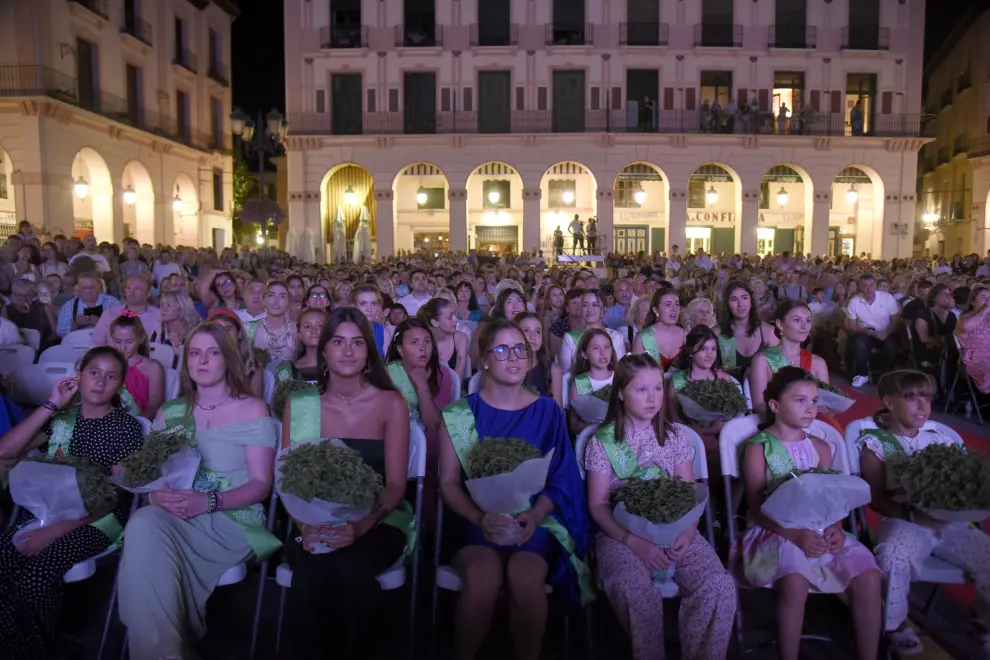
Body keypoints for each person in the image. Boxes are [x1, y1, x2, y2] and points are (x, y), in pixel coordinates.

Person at [117, 322, 281, 660]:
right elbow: (153, 476)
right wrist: (154, 495)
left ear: (228, 360)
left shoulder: (252, 408)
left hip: (232, 516)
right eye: (194, 353)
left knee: (147, 532)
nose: (202, 360)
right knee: (144, 520)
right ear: (186, 361)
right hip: (177, 514)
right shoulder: (171, 411)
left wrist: (209, 500)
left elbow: (261, 485)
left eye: (213, 352)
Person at [437, 319, 592, 659]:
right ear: (486, 360)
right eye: (502, 349)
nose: (513, 357)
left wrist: (535, 516)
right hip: (475, 522)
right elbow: (448, 484)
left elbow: (562, 478)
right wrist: (481, 519)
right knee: (482, 581)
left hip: (532, 522)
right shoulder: (460, 413)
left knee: (524, 582)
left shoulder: (548, 410)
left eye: (520, 348)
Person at [280, 308, 414, 660]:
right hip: (309, 520)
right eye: (338, 342)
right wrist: (305, 526)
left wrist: (359, 525)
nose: (348, 351)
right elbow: (289, 482)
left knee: (347, 570)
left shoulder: (390, 403)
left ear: (369, 350)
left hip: (378, 519)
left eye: (357, 342)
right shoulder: (302, 405)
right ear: (323, 350)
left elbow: (397, 485)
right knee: (312, 571)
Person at [584, 353, 736, 660]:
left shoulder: (676, 436)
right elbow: (598, 505)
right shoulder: (602, 442)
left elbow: (691, 495)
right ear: (622, 393)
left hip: (680, 531)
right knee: (635, 590)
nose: (652, 398)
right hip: (622, 537)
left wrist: (689, 533)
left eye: (657, 388)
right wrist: (634, 543)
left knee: (719, 585)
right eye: (641, 390)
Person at [0, 346, 143, 660]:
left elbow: (115, 497)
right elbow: (6, 451)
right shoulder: (63, 420)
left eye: (110, 377)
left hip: (98, 521)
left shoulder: (125, 428)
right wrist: (52, 404)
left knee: (34, 579)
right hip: (49, 511)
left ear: (119, 386)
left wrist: (57, 531)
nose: (100, 382)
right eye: (93, 372)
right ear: (79, 376)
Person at [734, 366, 881, 660]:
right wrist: (793, 534)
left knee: (868, 575)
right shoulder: (758, 448)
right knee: (795, 577)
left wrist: (837, 527)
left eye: (814, 401)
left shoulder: (821, 447)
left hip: (819, 527)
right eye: (800, 401)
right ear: (775, 405)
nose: (810, 408)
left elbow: (831, 498)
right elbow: (755, 507)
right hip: (774, 530)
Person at [856, 370, 990, 655]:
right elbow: (875, 498)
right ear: (889, 402)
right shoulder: (877, 443)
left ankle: (982, 621)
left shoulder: (940, 436)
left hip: (951, 525)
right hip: (906, 522)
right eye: (912, 398)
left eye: (927, 399)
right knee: (892, 555)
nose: (922, 407)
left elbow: (963, 482)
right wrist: (913, 516)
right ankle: (897, 625)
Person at [748, 300, 830, 418]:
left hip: (812, 425)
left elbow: (826, 407)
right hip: (776, 426)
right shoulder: (762, 360)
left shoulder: (818, 363)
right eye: (797, 320)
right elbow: (760, 406)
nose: (804, 326)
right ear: (780, 324)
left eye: (807, 320)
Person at [666, 325, 740, 450]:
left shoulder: (725, 379)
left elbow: (737, 417)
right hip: (689, 440)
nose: (709, 355)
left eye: (713, 349)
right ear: (690, 351)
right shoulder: (677, 381)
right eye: (703, 349)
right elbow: (675, 422)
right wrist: (708, 430)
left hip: (724, 438)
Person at [385, 318, 447, 436]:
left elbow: (434, 427)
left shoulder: (443, 375)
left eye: (427, 341)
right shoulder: (387, 374)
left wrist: (422, 386)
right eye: (414, 342)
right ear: (401, 350)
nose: (423, 348)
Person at [845, 273, 899, 387]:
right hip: (866, 332)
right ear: (859, 287)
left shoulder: (887, 298)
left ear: (875, 285)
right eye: (865, 286)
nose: (869, 289)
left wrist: (886, 333)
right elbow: (852, 326)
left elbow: (895, 320)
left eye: (871, 285)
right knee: (860, 344)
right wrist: (869, 332)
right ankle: (862, 374)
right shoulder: (854, 301)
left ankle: (887, 375)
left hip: (885, 331)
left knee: (891, 347)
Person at [109, 312, 165, 419]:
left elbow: (154, 406)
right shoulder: (107, 365)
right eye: (117, 341)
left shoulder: (153, 368)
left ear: (141, 338)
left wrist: (133, 424)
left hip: (139, 423)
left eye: (129, 341)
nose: (123, 347)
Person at [558, 290, 627, 374]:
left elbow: (621, 372)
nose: (589, 309)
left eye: (595, 305)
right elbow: (564, 373)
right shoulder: (570, 338)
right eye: (585, 305)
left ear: (603, 309)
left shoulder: (616, 337)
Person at [566, 328, 616, 436]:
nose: (603, 353)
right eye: (595, 348)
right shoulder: (578, 383)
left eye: (606, 347)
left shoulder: (620, 377)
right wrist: (596, 426)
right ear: (584, 354)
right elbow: (574, 424)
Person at [209, 309, 265, 400]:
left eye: (228, 329)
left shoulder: (253, 366)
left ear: (239, 334)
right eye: (217, 330)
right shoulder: (202, 363)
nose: (224, 335)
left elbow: (255, 405)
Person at [91, 274, 161, 345]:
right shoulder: (109, 314)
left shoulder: (160, 316)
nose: (131, 292)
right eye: (128, 288)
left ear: (148, 293)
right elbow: (96, 344)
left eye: (137, 289)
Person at [516, 311, 564, 407]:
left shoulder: (554, 371)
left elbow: (558, 413)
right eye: (526, 330)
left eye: (538, 331)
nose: (533, 336)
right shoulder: (505, 367)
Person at [632, 288, 686, 371]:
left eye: (677, 304)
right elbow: (635, 374)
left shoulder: (686, 335)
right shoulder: (642, 338)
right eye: (668, 304)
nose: (674, 309)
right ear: (655, 310)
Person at [56, 271, 119, 337]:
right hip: (77, 343)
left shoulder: (111, 302)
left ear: (99, 286)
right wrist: (75, 324)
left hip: (105, 342)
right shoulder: (69, 306)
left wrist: (101, 323)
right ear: (79, 288)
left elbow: (123, 326)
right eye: (84, 288)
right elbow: (60, 332)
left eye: (91, 288)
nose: (88, 291)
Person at [418, 297, 468, 381]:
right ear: (435, 322)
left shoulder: (460, 338)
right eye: (450, 317)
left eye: (455, 314)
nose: (456, 319)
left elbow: (458, 377)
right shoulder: (423, 342)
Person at [274, 307, 328, 383]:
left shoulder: (342, 366)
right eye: (307, 327)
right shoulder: (286, 371)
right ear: (299, 334)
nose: (314, 331)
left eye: (320, 326)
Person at [4, 278, 58, 349]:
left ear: (34, 295)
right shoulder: (6, 309)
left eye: (28, 295)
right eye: (19, 295)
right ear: (13, 295)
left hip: (43, 347)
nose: (24, 299)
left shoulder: (43, 308)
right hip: (17, 350)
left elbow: (56, 332)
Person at [956, 284, 990, 394]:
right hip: (975, 359)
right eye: (983, 297)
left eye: (989, 298)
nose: (987, 301)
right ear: (972, 302)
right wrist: (986, 309)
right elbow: (966, 327)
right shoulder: (965, 317)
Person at [253, 281, 296, 364]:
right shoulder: (251, 328)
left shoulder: (296, 329)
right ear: (263, 300)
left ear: (289, 303)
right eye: (271, 295)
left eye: (282, 296)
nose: (276, 300)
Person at [351, 284, 388, 354]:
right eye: (363, 304)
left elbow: (388, 363)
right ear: (354, 306)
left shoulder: (383, 332)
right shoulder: (344, 331)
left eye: (374, 303)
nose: (369, 309)